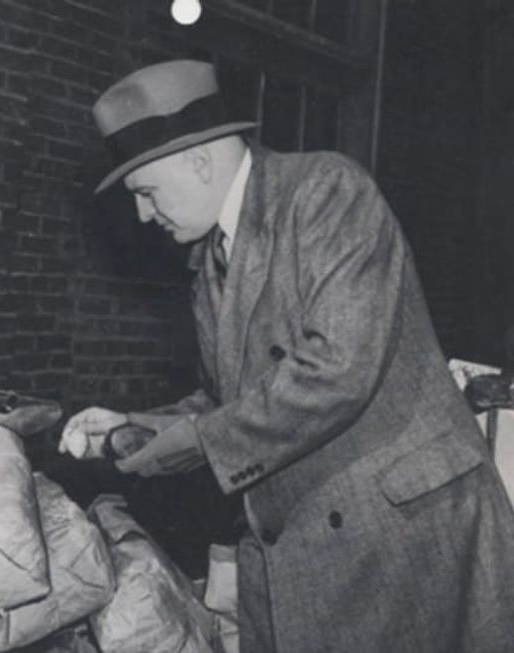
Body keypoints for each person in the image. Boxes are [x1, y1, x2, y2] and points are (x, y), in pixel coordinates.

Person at [61, 59, 514, 652]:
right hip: (304, 533)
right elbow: (230, 401)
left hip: (403, 529)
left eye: (146, 193)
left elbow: (339, 366)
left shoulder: (325, 192)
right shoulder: (209, 258)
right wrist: (141, 427)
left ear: (198, 163)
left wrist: (200, 440)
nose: (145, 214)